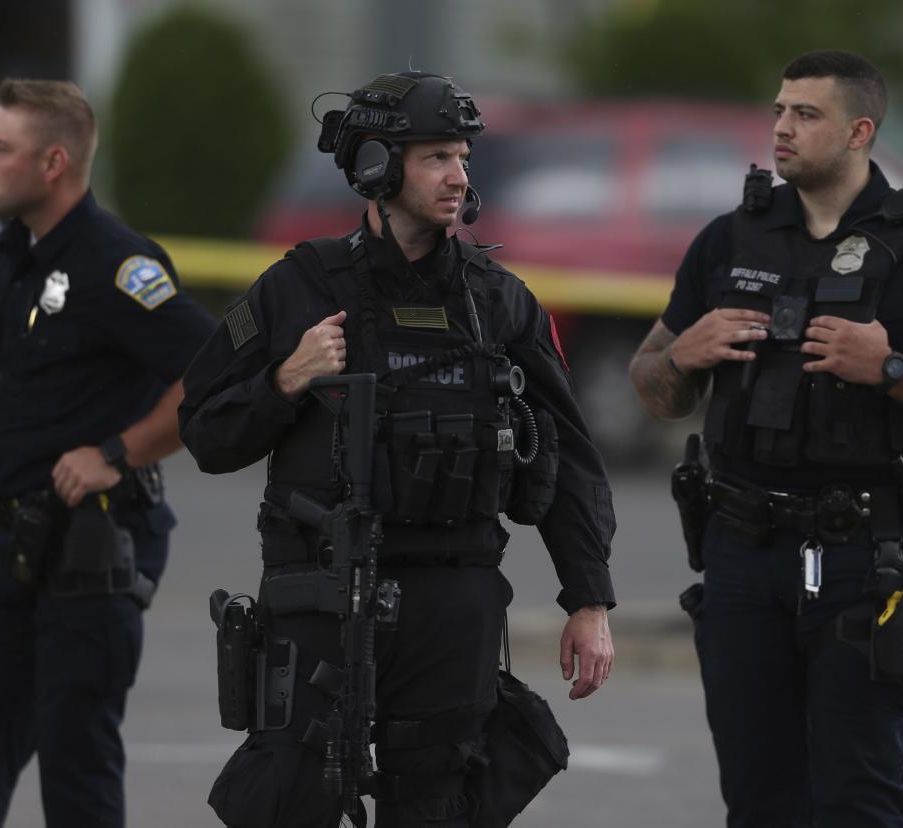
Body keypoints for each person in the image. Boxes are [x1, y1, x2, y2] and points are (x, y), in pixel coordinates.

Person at [179, 70, 617, 827]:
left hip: (455, 598)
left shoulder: (498, 300)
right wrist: (287, 380)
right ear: (378, 166)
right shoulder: (299, 289)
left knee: (441, 801)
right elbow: (206, 434)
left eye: (463, 157)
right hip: (325, 588)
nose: (459, 176)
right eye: (436, 157)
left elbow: (568, 457)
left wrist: (589, 597)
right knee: (291, 796)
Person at [629, 50, 903, 827]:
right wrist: (682, 354)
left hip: (865, 557)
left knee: (856, 795)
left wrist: (891, 367)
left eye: (805, 114)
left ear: (859, 132)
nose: (782, 128)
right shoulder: (728, 240)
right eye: (779, 110)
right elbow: (653, 388)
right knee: (757, 794)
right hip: (740, 552)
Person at [0, 79, 216, 826]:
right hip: (9, 541)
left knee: (76, 765)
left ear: (52, 164)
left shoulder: (118, 265)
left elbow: (211, 372)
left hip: (91, 550)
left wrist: (119, 450)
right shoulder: (11, 254)